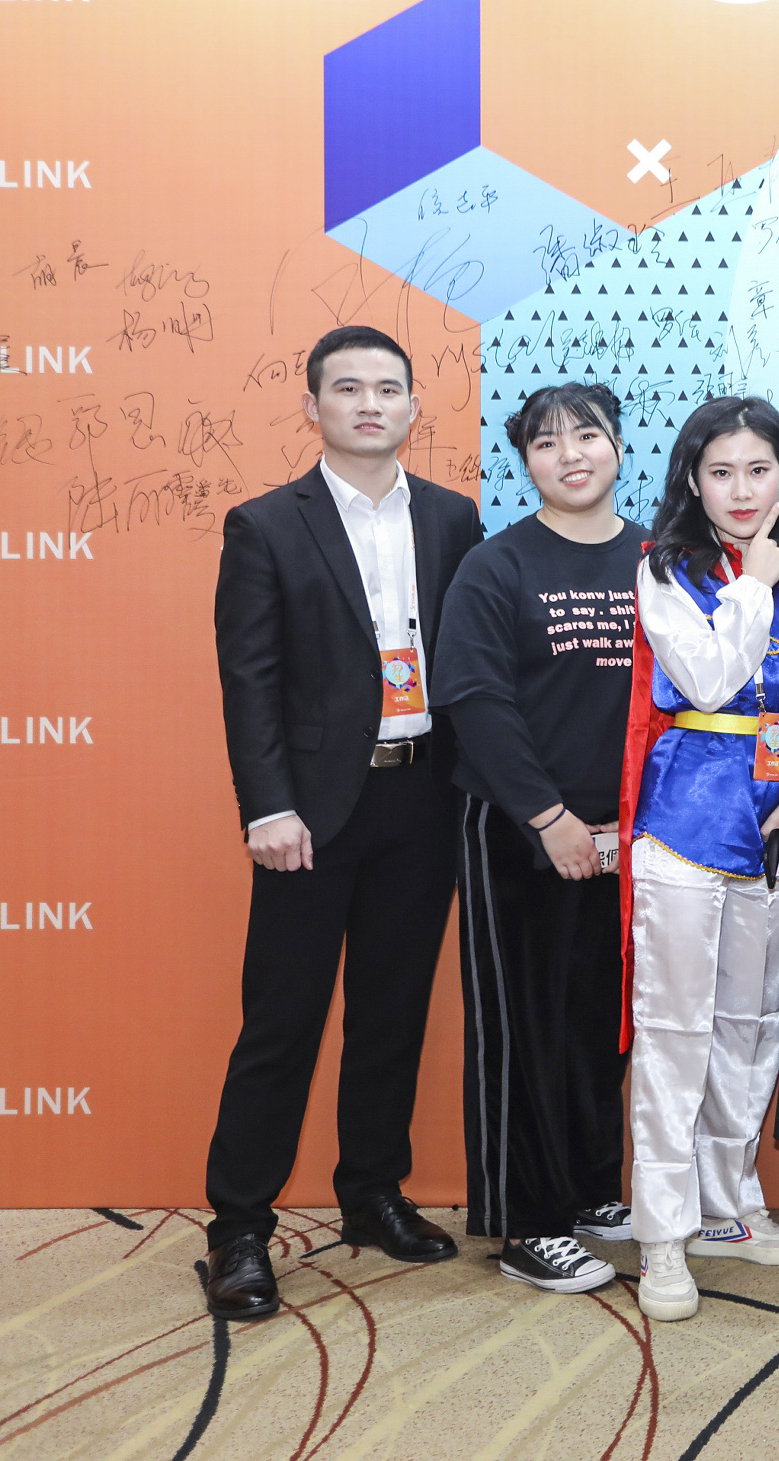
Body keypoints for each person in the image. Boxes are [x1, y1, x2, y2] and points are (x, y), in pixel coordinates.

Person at [200, 325, 483, 1322]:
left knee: (390, 1012)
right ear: (313, 405)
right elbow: (250, 680)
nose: (370, 403)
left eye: (388, 388)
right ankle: (238, 1226)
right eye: (348, 387)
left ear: (413, 406)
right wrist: (268, 805)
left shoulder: (452, 518)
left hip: (424, 797)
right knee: (282, 1021)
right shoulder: (265, 524)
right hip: (310, 812)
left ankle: (371, 1191)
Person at [433, 383, 645, 1295]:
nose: (571, 456)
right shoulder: (497, 565)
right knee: (523, 1027)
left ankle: (592, 1189)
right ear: (525, 462)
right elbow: (476, 700)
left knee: (601, 1021)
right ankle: (527, 1219)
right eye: (547, 444)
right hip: (521, 833)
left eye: (586, 436)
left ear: (619, 446)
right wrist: (548, 818)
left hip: (629, 834)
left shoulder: (655, 558)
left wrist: (632, 822)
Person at [619, 396, 779, 1323]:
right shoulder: (666, 568)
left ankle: (728, 1208)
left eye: (759, 470)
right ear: (692, 481)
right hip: (685, 822)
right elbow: (706, 677)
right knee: (675, 1032)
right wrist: (754, 584)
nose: (742, 490)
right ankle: (662, 1234)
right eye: (722, 472)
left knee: (752, 1023)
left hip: (774, 821)